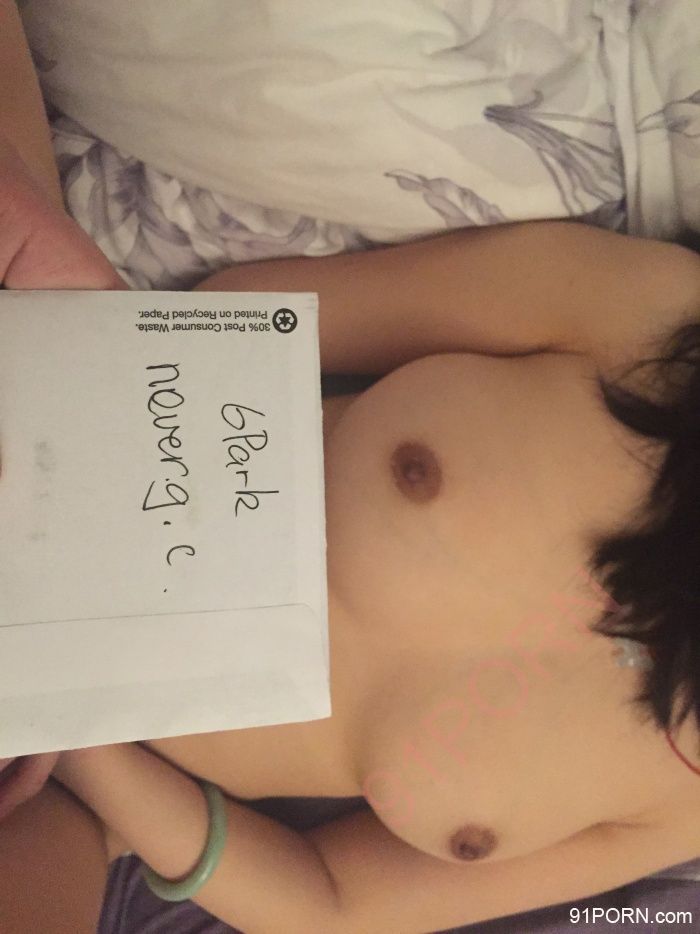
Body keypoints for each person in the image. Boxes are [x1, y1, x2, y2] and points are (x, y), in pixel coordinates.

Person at [3, 132, 700, 932]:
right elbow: (250, 316)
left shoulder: (688, 802)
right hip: (79, 418)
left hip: (89, 782)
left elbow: (331, 901)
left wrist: (72, 731)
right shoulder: (660, 323)